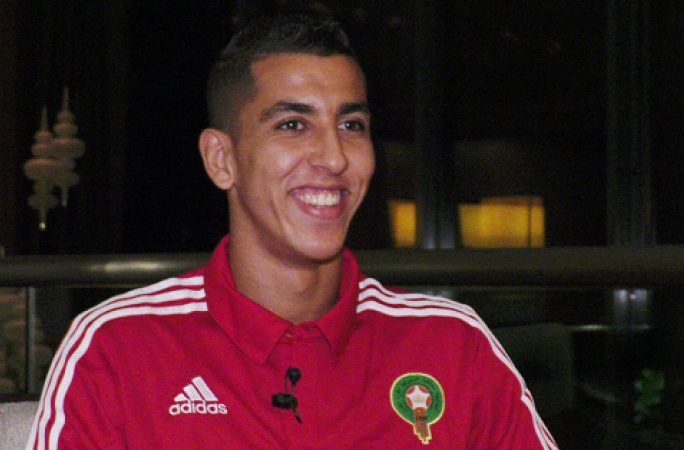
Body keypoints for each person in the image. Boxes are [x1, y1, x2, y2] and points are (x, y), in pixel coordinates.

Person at [27, 14, 556, 449]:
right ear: (221, 159)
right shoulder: (117, 349)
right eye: (293, 125)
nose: (334, 157)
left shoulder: (452, 345)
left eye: (351, 125)